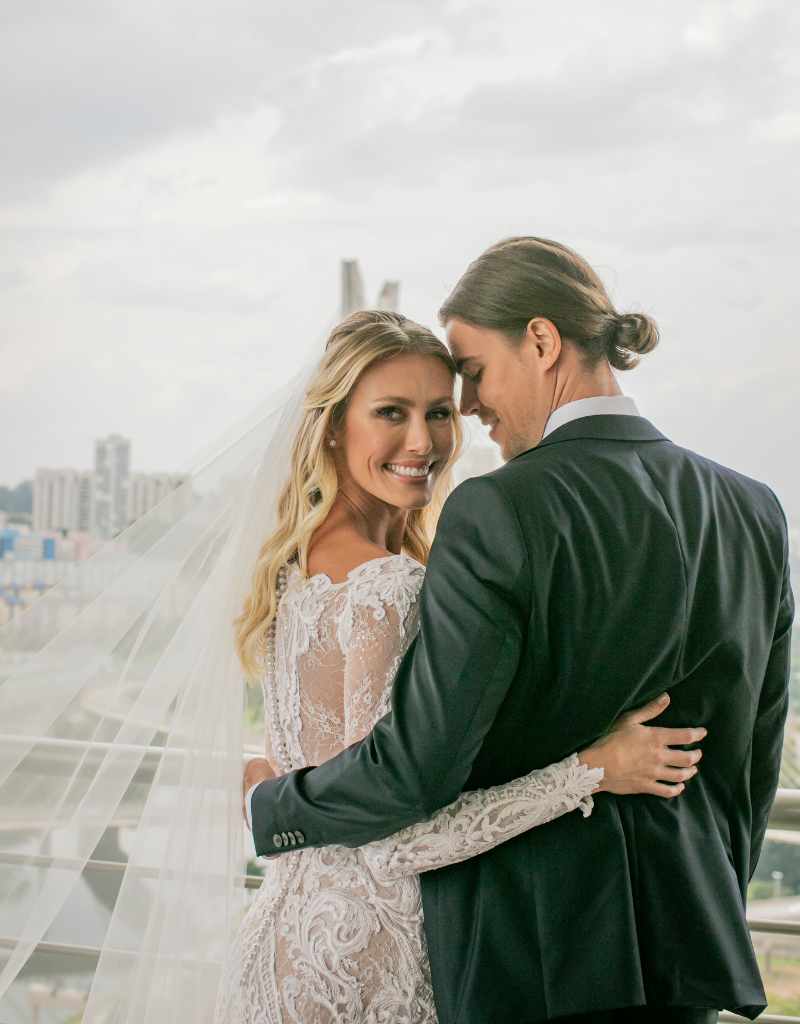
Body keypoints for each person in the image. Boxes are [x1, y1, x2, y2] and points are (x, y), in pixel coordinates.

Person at [247, 239, 794, 1023]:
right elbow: (750, 762)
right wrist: (702, 906)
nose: (467, 408)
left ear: (540, 342)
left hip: (524, 962)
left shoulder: (498, 507)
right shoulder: (754, 508)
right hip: (689, 957)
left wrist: (271, 807)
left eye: (470, 374)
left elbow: (416, 772)